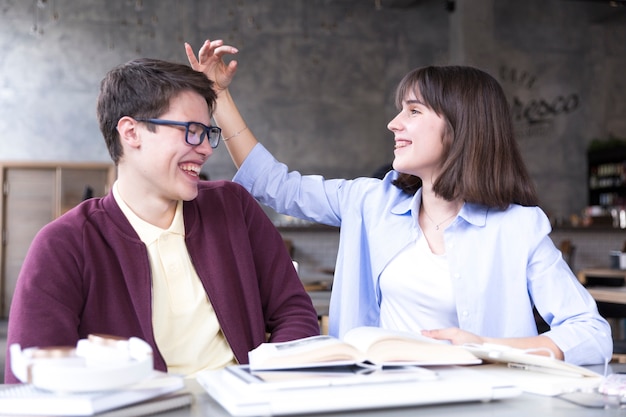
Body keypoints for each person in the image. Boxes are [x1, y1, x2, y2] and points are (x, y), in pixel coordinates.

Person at [184, 39, 613, 366]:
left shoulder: (519, 227)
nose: (394, 123)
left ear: (461, 127)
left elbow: (591, 334)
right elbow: (274, 184)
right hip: (380, 397)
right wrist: (219, 99)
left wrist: (487, 348)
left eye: (413, 111)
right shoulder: (369, 202)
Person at [4, 58, 320, 383]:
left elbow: (293, 311)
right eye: (191, 131)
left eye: (207, 132)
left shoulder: (233, 207)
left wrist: (265, 386)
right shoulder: (65, 244)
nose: (206, 150)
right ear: (131, 133)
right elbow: (30, 382)